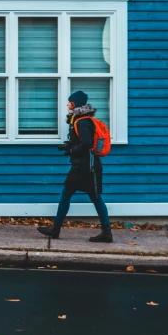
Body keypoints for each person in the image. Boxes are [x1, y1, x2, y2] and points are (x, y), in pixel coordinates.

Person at [37, 90, 112, 243]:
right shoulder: (80, 120)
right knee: (76, 195)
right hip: (84, 166)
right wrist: (69, 146)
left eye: (70, 101)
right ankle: (57, 229)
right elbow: (82, 142)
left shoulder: (82, 122)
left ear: (75, 103)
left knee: (91, 197)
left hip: (86, 167)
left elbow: (87, 143)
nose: (67, 104)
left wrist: (71, 149)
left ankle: (57, 229)